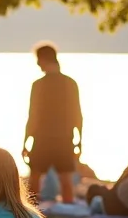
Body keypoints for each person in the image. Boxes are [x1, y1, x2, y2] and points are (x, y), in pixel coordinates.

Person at [23, 43, 83, 204]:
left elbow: (32, 115)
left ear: (44, 59)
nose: (37, 64)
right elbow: (77, 115)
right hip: (64, 138)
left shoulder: (39, 85)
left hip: (42, 139)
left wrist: (25, 142)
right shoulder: (70, 83)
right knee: (66, 180)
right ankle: (69, 210)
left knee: (35, 178)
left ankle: (31, 212)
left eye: (38, 60)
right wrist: (79, 141)